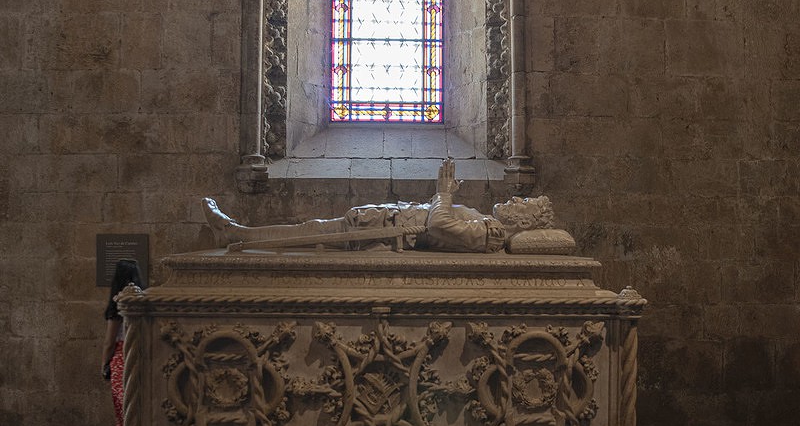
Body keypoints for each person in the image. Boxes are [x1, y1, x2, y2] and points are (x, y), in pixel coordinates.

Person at [202, 159, 554, 254]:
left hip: (386, 233)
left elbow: (440, 226)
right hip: (388, 221)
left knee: (311, 233)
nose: (514, 200)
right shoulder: (487, 223)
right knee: (313, 230)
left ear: (525, 223)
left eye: (523, 203)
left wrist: (443, 193)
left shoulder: (491, 233)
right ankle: (240, 233)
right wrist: (442, 196)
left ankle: (237, 234)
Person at [101, 259, 144, 426]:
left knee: (122, 408)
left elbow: (109, 342)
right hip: (140, 356)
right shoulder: (143, 303)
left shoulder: (117, 307)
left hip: (121, 358)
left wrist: (104, 364)